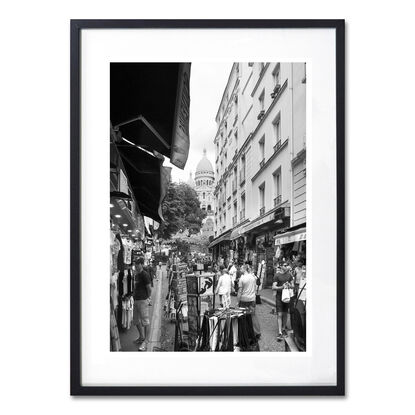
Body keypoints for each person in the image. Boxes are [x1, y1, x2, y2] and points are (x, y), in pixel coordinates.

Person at [132, 257, 152, 351]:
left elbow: (149, 288)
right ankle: (141, 337)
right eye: (135, 264)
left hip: (143, 300)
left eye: (137, 264)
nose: (135, 266)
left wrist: (148, 298)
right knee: (136, 320)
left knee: (145, 321)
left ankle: (146, 342)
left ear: (141, 264)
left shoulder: (145, 274)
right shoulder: (136, 274)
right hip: (136, 300)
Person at [237, 264, 261, 338]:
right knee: (253, 315)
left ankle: (245, 332)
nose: (240, 270)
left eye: (241, 268)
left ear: (244, 269)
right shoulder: (253, 277)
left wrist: (238, 301)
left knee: (243, 316)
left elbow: (240, 291)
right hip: (252, 299)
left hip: (244, 299)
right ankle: (257, 332)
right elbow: (255, 287)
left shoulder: (242, 278)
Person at [272, 262, 294, 341]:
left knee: (285, 313)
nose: (286, 266)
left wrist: (289, 285)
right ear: (281, 266)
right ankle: (280, 332)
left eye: (287, 265)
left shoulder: (289, 275)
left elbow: (293, 286)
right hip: (279, 297)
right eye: (284, 265)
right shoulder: (277, 275)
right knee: (280, 314)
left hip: (287, 297)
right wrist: (281, 287)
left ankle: (284, 328)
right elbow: (273, 287)